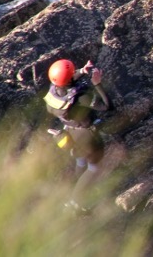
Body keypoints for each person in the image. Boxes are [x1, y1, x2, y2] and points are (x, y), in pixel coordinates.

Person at [42, 59, 110, 207]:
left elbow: (66, 80)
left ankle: (77, 185)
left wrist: (82, 71)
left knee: (80, 160)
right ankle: (76, 201)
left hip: (70, 132)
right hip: (86, 137)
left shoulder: (54, 91)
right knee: (94, 168)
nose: (75, 73)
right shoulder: (81, 98)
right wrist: (97, 83)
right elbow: (106, 106)